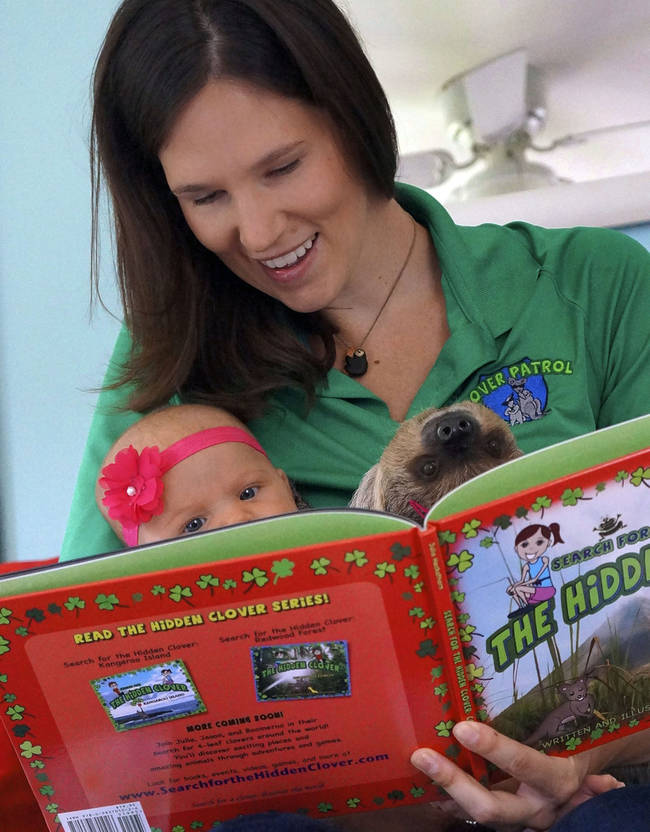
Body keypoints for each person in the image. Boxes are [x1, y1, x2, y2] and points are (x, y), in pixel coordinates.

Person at [57, 0, 649, 829]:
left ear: (353, 115)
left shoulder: (598, 283)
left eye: (283, 167)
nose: (259, 232)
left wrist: (584, 758)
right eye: (205, 196)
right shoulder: (170, 363)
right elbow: (88, 669)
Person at [96, 404, 301, 546]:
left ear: (285, 485)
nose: (237, 519)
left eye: (248, 493)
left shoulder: (329, 541)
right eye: (193, 525)